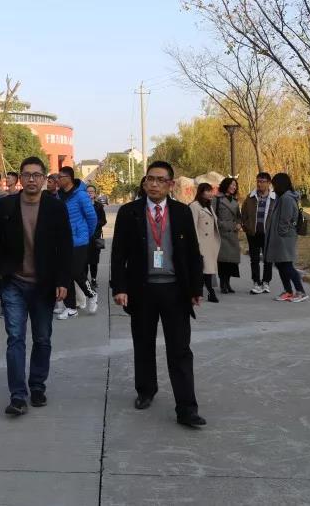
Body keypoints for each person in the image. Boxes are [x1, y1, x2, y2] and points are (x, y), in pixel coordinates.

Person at [110, 161, 206, 428]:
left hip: (175, 290)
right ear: (144, 183)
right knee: (143, 343)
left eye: (160, 180)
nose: (154, 184)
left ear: (170, 185)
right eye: (149, 179)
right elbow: (118, 253)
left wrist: (196, 288)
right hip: (142, 289)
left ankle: (186, 408)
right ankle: (145, 390)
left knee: (180, 349)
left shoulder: (182, 212)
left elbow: (192, 252)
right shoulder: (129, 213)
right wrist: (120, 287)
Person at [0, 157, 71, 415]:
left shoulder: (55, 208)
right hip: (14, 282)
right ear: (20, 178)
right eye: (26, 175)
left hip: (44, 284)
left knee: (42, 338)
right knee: (15, 338)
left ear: (44, 179)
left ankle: (37, 386)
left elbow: (65, 247)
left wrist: (62, 281)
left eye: (36, 175)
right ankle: (18, 395)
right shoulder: (5, 206)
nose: (31, 179)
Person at [56, 166, 99, 319]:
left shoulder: (80, 195)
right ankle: (71, 308)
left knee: (76, 271)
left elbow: (92, 217)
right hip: (64, 241)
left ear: (68, 178)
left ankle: (91, 294)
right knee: (66, 272)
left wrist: (86, 234)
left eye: (60, 177)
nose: (57, 180)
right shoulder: (59, 195)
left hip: (80, 240)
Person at [266, 173, 309, 303]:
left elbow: (285, 219)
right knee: (280, 264)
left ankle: (300, 291)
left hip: (284, 238)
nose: (273, 187)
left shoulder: (287, 198)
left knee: (287, 265)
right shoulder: (283, 197)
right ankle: (288, 291)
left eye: (274, 184)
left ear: (280, 184)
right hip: (280, 237)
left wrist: (281, 232)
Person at [241, 172, 275, 295]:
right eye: (258, 181)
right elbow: (243, 213)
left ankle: (266, 282)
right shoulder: (250, 197)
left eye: (262, 181)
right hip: (253, 233)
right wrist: (246, 226)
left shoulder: (274, 198)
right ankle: (256, 282)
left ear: (268, 183)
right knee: (254, 259)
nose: (259, 184)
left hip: (268, 234)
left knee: (268, 259)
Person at [189, 183, 220, 303]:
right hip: (201, 242)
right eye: (207, 191)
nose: (210, 193)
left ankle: (204, 292)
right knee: (204, 269)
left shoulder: (209, 206)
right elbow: (193, 226)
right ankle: (207, 292)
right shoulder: (194, 206)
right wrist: (196, 244)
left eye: (211, 191)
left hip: (210, 243)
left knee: (207, 269)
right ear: (201, 192)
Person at [215, 177, 242, 294]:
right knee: (223, 261)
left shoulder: (235, 201)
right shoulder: (217, 199)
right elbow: (213, 215)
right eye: (232, 184)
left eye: (235, 185)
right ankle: (223, 284)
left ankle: (228, 283)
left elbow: (239, 217)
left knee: (231, 262)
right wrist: (221, 224)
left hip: (233, 234)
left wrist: (239, 224)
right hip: (222, 234)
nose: (234, 187)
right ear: (226, 185)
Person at [86, 183, 108, 291]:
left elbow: (104, 220)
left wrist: (94, 223)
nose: (90, 193)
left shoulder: (99, 206)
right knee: (84, 260)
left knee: (94, 260)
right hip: (84, 237)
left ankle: (93, 279)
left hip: (95, 237)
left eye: (92, 192)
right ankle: (85, 281)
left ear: (95, 194)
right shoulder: (82, 205)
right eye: (88, 192)